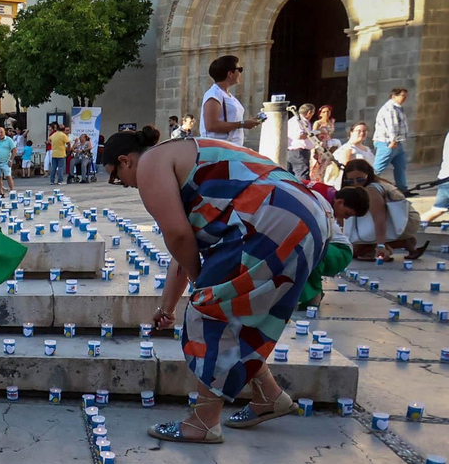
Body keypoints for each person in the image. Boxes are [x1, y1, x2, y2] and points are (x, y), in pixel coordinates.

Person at [100, 129, 327, 443]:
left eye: (116, 177)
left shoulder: (150, 163)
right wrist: (166, 307)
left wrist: (200, 289)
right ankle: (269, 397)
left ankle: (203, 422)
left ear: (125, 161)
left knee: (208, 315)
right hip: (301, 213)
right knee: (233, 315)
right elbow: (184, 248)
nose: (124, 184)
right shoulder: (179, 153)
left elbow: (178, 236)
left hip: (267, 217)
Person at [339, 158, 424, 261]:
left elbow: (379, 218)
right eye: (351, 181)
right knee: (351, 248)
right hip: (398, 219)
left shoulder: (372, 190)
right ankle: (402, 243)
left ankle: (397, 244)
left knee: (353, 250)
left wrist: (380, 246)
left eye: (360, 179)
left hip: (404, 221)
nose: (356, 183)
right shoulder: (359, 189)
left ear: (368, 175)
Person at [298, 184, 361, 309]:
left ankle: (314, 296)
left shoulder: (317, 199)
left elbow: (326, 235)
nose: (345, 218)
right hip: (323, 244)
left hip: (339, 250)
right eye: (347, 214)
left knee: (309, 251)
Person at [199, 55, 263, 145]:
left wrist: (249, 122)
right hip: (219, 150)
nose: (240, 73)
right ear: (230, 73)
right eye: (239, 69)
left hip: (231, 148)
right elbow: (211, 125)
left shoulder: (227, 95)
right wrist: (243, 124)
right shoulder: (214, 94)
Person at [373, 87, 413, 195]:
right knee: (378, 167)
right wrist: (393, 140)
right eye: (402, 96)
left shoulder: (398, 107)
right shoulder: (390, 109)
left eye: (406, 96)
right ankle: (365, 185)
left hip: (397, 142)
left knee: (401, 166)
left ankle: (402, 189)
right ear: (393, 96)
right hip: (387, 142)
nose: (405, 98)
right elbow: (392, 126)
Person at [326, 122, 374, 188]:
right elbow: (345, 168)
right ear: (351, 132)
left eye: (364, 131)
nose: (362, 133)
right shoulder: (348, 148)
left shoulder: (367, 148)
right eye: (359, 131)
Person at [286, 103, 317, 178]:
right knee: (302, 174)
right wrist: (314, 132)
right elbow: (300, 136)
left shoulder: (297, 120)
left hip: (295, 152)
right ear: (309, 112)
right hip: (298, 152)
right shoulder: (299, 121)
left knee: (292, 175)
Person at [310, 105, 337, 181]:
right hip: (320, 145)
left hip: (329, 144)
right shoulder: (318, 123)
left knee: (327, 164)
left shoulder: (331, 121)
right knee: (318, 165)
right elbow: (313, 134)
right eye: (324, 112)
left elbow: (332, 134)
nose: (326, 113)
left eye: (328, 111)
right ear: (320, 114)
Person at [0, 124, 17, 196]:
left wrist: (11, 160)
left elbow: (14, 149)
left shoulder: (9, 140)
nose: (0, 134)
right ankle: (1, 192)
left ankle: (12, 191)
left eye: (1, 132)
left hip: (6, 161)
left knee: (8, 176)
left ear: (4, 132)